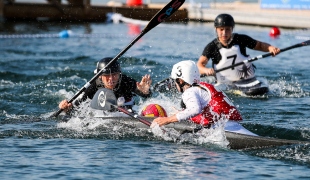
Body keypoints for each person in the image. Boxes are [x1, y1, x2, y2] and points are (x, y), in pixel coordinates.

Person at [151, 60, 242, 128]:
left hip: (223, 127)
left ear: (180, 81)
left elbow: (195, 110)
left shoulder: (189, 92)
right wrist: (182, 114)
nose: (175, 84)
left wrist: (168, 119)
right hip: (233, 124)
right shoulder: (204, 86)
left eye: (175, 81)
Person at [197, 13, 281, 85]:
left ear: (232, 29)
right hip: (225, 84)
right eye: (221, 29)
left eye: (228, 29)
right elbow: (200, 65)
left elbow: (260, 45)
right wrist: (206, 70)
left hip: (248, 80)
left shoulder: (241, 39)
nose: (224, 33)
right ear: (216, 29)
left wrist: (271, 48)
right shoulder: (211, 47)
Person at [59, 57, 152, 112]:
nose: (111, 79)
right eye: (107, 76)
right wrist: (66, 107)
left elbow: (147, 95)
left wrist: (145, 91)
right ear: (100, 76)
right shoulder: (93, 85)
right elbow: (75, 106)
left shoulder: (125, 80)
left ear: (119, 74)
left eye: (114, 75)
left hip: (126, 108)